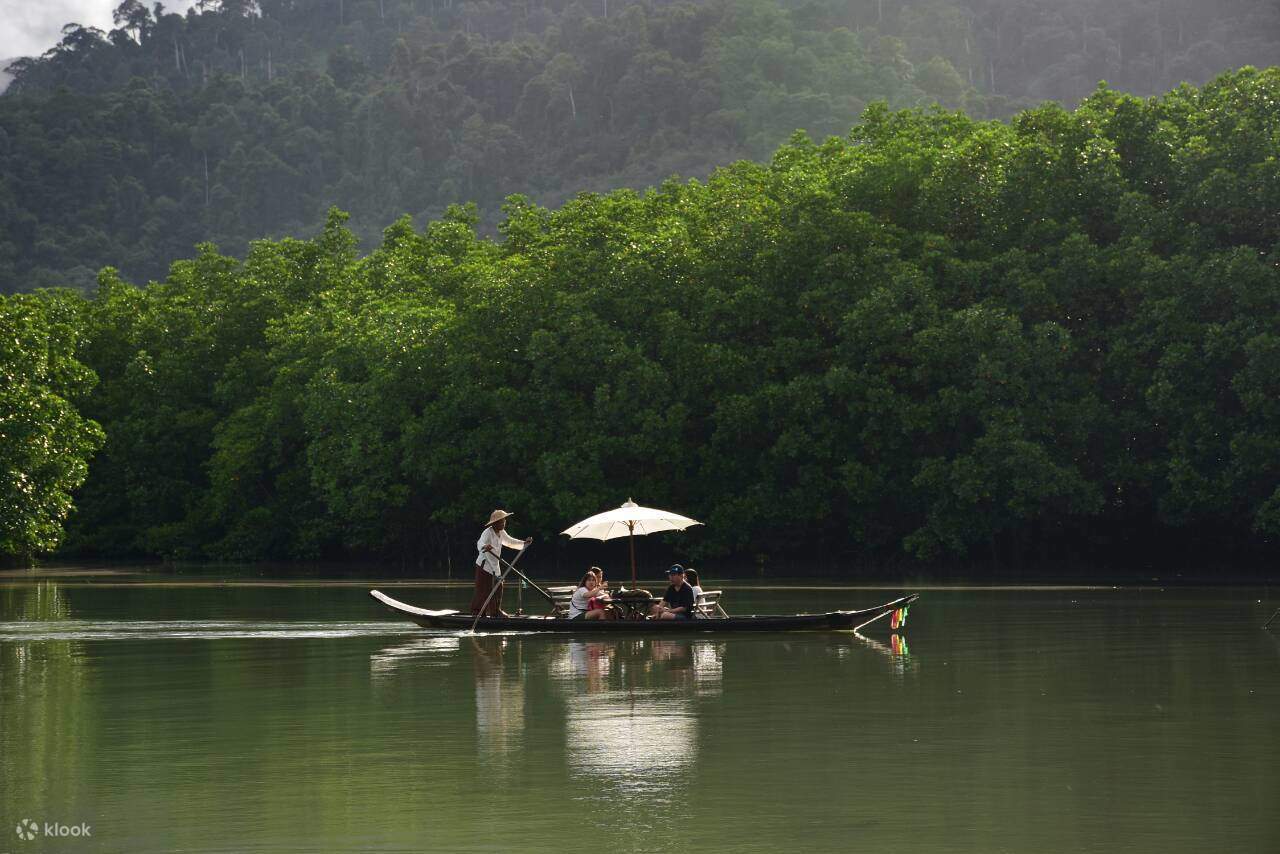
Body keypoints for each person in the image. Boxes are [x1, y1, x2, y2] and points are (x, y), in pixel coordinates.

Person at [471, 509, 532, 616]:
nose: (503, 523)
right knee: (483, 590)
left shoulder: (501, 532)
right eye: (501, 521)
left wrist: (524, 543)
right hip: (484, 565)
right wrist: (485, 546)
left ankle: (495, 611)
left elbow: (510, 541)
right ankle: (477, 613)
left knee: (498, 587)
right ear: (494, 523)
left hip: (495, 565)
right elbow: (479, 543)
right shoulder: (487, 532)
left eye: (504, 521)